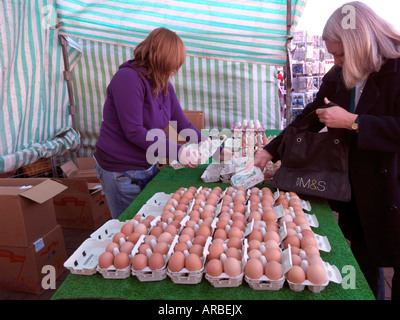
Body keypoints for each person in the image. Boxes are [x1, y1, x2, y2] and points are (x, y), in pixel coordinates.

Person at [255, 1, 400, 300]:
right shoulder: (340, 74)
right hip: (358, 187)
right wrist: (271, 150)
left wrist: (354, 122)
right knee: (363, 261)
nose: (336, 61)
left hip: (392, 186)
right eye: (333, 54)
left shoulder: (396, 68)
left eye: (341, 53)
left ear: (361, 41)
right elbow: (310, 114)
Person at [94, 27, 224, 219]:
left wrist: (215, 148)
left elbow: (183, 125)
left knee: (147, 224)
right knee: (129, 228)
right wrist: (179, 152)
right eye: (172, 65)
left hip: (146, 165)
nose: (174, 71)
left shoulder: (164, 86)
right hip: (121, 170)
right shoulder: (127, 79)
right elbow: (134, 131)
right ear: (159, 59)